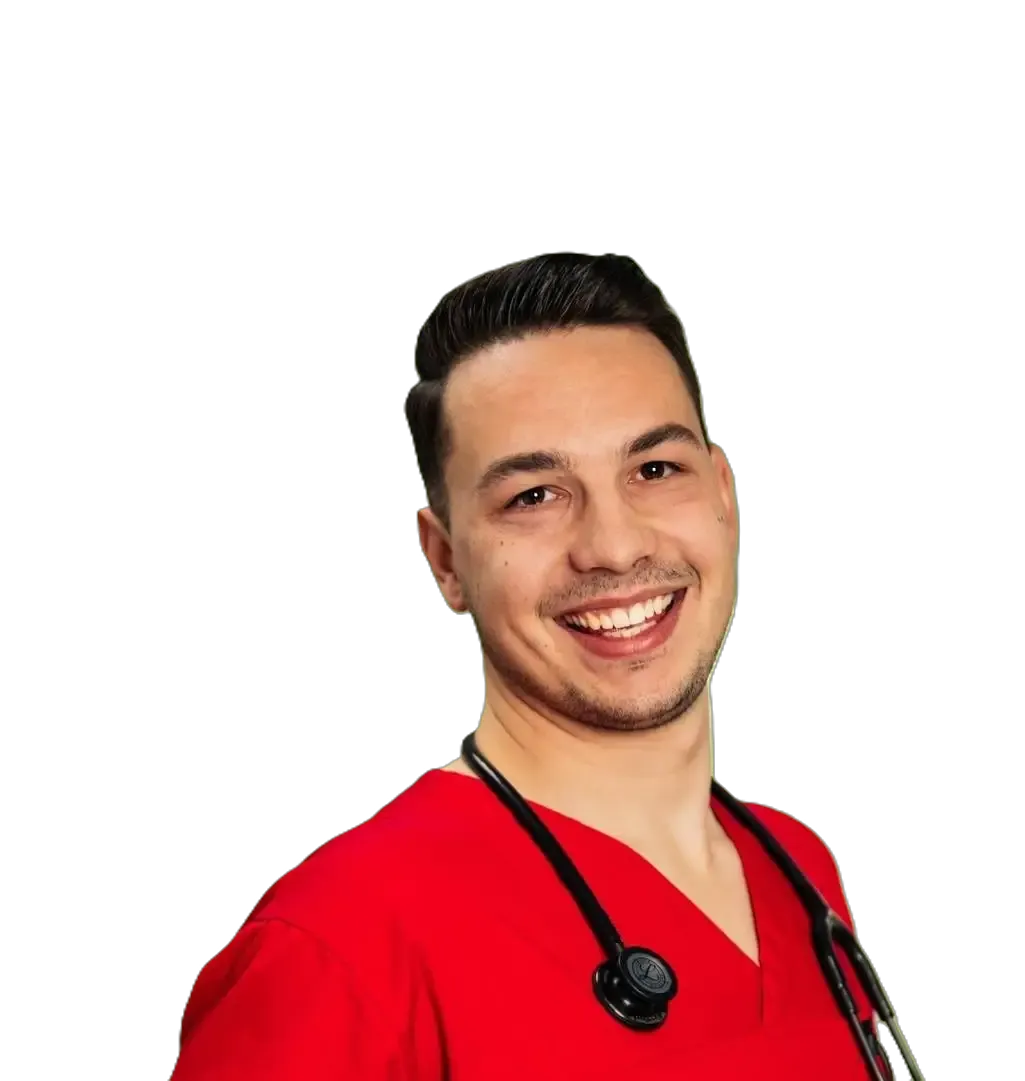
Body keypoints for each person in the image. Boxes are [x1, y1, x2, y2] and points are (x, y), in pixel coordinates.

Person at [170, 252, 887, 1079]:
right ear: (445, 560)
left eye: (655, 469)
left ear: (723, 495)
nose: (614, 544)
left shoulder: (796, 868)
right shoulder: (337, 946)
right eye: (534, 495)